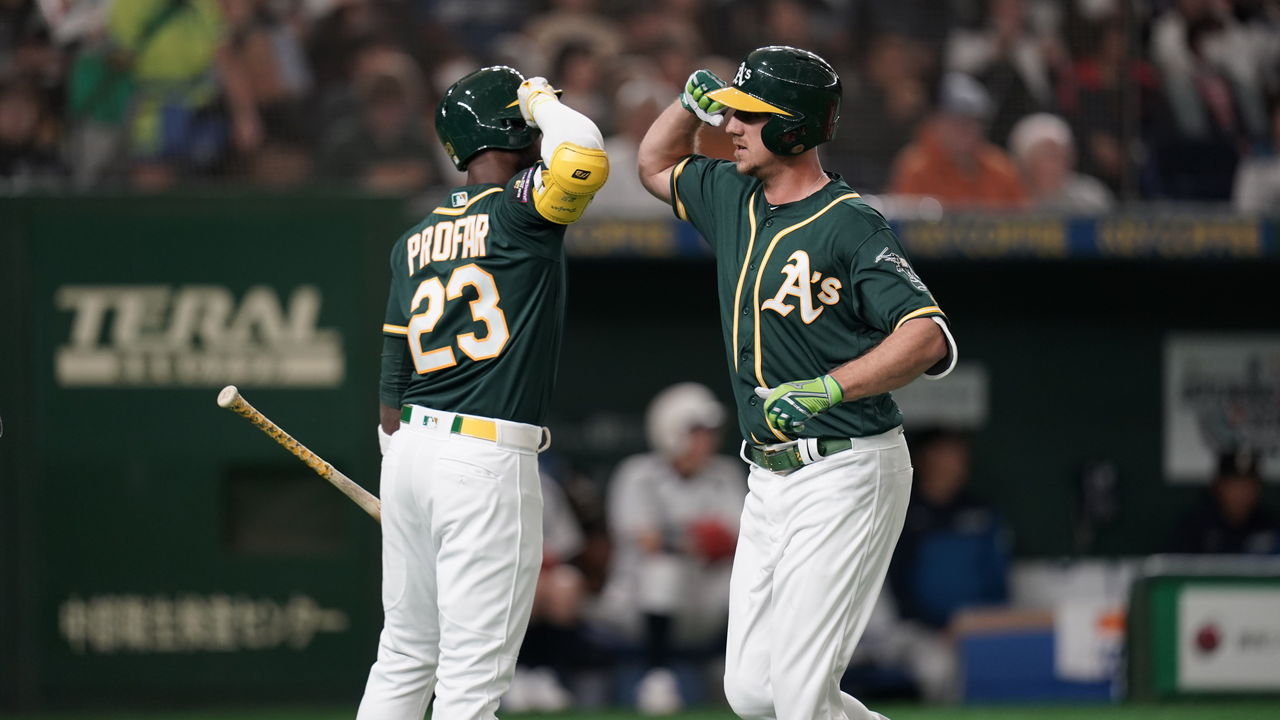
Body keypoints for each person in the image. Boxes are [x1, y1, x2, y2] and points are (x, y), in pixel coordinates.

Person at [637, 45, 957, 720]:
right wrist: (686, 108)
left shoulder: (850, 221)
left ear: (794, 127)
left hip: (845, 465)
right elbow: (655, 164)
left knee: (801, 694)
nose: (732, 127)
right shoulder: (731, 194)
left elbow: (925, 334)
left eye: (749, 117)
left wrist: (831, 387)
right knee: (754, 693)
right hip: (768, 474)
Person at [361, 65, 608, 719]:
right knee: (472, 681)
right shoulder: (521, 209)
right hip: (483, 455)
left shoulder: (413, 239)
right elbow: (582, 158)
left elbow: (393, 374)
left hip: (411, 446)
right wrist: (543, 100)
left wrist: (396, 460)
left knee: (406, 654)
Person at [593, 382, 746, 713]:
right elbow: (649, 543)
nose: (707, 438)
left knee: (753, 579)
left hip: (706, 601)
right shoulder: (637, 474)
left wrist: (691, 539)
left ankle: (740, 670)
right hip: (637, 608)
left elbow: (743, 538)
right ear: (670, 430)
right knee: (664, 570)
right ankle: (656, 676)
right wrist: (701, 539)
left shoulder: (726, 473)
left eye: (709, 431)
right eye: (696, 430)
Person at [888, 72, 1027, 210]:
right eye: (957, 121)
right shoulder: (916, 167)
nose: (967, 129)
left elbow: (1021, 222)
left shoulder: (1000, 168)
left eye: (976, 121)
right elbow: (905, 226)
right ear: (938, 122)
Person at [1170, 450, 1280, 555]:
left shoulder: (1270, 524)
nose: (1241, 494)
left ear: (1258, 488)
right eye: (1234, 485)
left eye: (1247, 485)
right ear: (1219, 486)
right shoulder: (1195, 527)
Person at [1007, 113, 1113, 213]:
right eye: (1045, 156)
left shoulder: (1090, 198)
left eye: (1059, 156)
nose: (1053, 166)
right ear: (1025, 162)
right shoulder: (1008, 198)